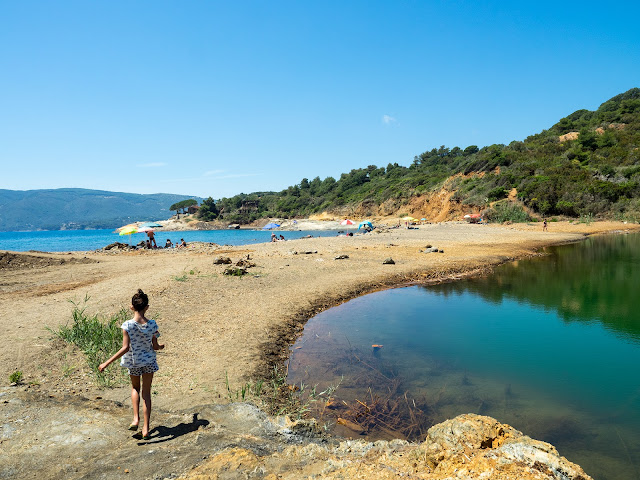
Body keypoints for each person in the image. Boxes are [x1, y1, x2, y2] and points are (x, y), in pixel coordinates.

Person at [99, 289, 164, 440]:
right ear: (147, 307)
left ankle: (136, 419)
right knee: (146, 393)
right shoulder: (153, 325)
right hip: (148, 362)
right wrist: (161, 347)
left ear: (131, 307)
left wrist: (106, 363)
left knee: (135, 388)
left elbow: (125, 348)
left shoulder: (127, 325)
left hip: (133, 362)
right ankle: (146, 429)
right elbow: (155, 346)